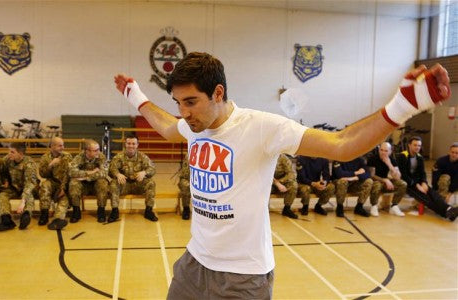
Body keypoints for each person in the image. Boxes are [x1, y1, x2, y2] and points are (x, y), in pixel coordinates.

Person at [114, 52, 451, 299]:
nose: (184, 114)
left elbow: (342, 144)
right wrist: (137, 97)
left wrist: (401, 107)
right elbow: (165, 127)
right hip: (194, 264)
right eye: (178, 103)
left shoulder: (262, 127)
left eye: (191, 102)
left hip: (243, 277)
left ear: (218, 93)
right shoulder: (192, 126)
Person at [396, 136, 458, 221]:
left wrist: (424, 183)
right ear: (409, 145)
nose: (417, 147)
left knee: (433, 194)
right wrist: (417, 185)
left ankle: (449, 210)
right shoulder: (402, 156)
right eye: (415, 145)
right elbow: (403, 175)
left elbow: (422, 173)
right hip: (408, 184)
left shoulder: (420, 157)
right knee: (426, 199)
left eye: (419, 145)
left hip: (418, 183)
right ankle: (447, 213)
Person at [109, 135, 158, 222]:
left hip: (138, 184)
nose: (131, 146)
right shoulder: (119, 157)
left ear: (137, 145)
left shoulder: (142, 157)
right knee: (113, 183)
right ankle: (115, 211)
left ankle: (149, 210)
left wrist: (144, 172)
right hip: (124, 184)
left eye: (133, 144)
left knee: (151, 183)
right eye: (129, 143)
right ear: (125, 144)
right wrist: (117, 174)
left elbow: (152, 168)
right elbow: (112, 168)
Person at [0, 142, 38, 231]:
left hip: (27, 188)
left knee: (28, 197)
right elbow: (0, 170)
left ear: (21, 154)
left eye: (12, 152)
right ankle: (6, 220)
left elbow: (29, 184)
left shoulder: (29, 163)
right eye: (9, 151)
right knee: (3, 195)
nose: (9, 154)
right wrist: (5, 180)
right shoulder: (8, 159)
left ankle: (26, 216)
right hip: (13, 187)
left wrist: (22, 202)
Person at [69, 139, 109, 223]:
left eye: (98, 149)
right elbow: (71, 172)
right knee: (73, 183)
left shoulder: (101, 157)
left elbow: (104, 173)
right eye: (95, 150)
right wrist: (90, 172)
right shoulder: (79, 157)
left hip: (95, 183)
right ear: (87, 151)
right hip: (83, 185)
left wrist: (86, 177)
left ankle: (101, 211)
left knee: (103, 183)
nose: (98, 152)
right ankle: (76, 211)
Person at [38, 137, 72, 230]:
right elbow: (42, 174)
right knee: (44, 185)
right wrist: (50, 165)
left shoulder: (67, 156)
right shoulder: (45, 157)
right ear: (52, 146)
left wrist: (63, 189)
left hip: (64, 183)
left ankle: (58, 219)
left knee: (64, 199)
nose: (62, 148)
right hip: (52, 182)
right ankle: (44, 214)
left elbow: (69, 174)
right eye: (60, 145)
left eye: (63, 145)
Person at [367, 142, 407, 217]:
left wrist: (389, 165)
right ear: (379, 150)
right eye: (381, 150)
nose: (383, 152)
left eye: (386, 151)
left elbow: (398, 177)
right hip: (375, 182)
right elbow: (371, 175)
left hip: (386, 182)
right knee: (377, 184)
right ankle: (374, 206)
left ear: (390, 152)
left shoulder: (392, 160)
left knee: (403, 184)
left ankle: (394, 206)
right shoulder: (372, 158)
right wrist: (384, 180)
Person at [271, 154, 298, 219]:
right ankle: (262, 210)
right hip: (269, 183)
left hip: (281, 183)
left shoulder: (283, 158)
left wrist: (281, 182)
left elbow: (292, 173)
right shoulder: (266, 157)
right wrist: (276, 183)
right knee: (262, 189)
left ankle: (287, 209)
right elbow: (264, 175)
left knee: (293, 185)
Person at [177, 154, 191, 220]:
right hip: (186, 179)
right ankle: (186, 209)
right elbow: (185, 174)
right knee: (186, 186)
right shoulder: (189, 156)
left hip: (200, 181)